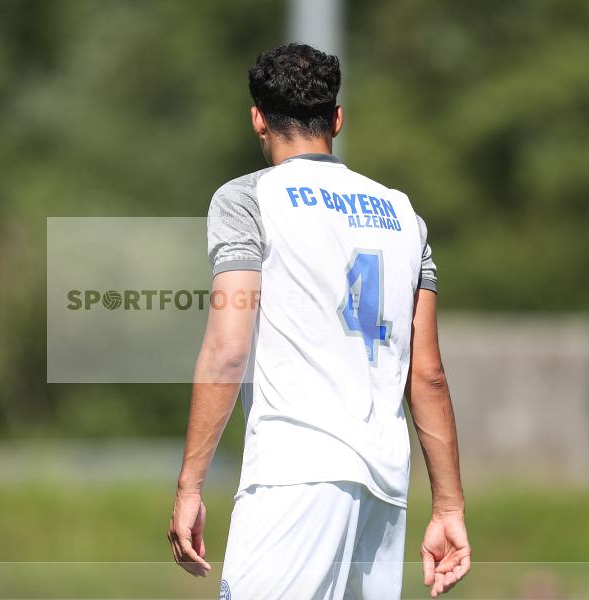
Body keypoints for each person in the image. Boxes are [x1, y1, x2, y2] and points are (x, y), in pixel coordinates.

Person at [167, 43, 470, 599]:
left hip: (294, 472)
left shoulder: (247, 199)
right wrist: (448, 506)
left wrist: (189, 486)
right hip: (384, 487)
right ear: (337, 119)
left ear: (257, 119)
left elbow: (228, 349)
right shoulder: (404, 214)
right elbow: (427, 375)